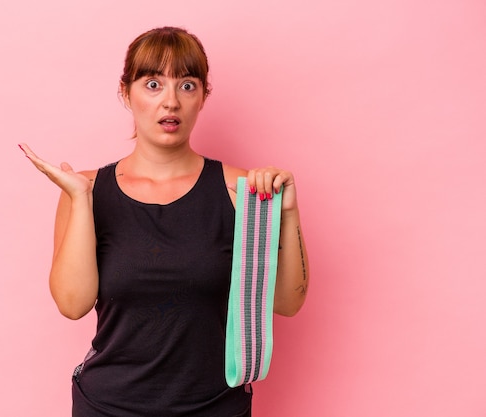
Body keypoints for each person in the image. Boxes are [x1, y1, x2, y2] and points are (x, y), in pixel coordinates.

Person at [19, 26, 309, 417]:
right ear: (126, 93)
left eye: (187, 86)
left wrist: (286, 212)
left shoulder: (240, 191)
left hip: (215, 407)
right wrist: (80, 200)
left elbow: (287, 304)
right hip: (107, 406)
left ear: (203, 96)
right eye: (153, 84)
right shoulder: (85, 190)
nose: (170, 101)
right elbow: (73, 304)